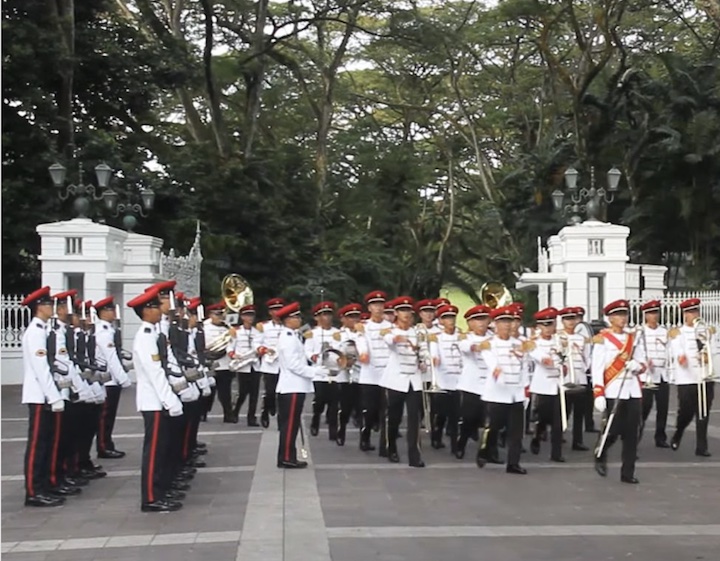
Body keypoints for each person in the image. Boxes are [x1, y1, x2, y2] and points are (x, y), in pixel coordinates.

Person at [128, 287, 185, 512]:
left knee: (162, 449)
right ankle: (151, 497)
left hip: (158, 400)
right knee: (153, 452)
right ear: (146, 311)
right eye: (155, 307)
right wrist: (170, 400)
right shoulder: (145, 336)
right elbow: (155, 373)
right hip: (154, 401)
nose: (160, 310)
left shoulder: (153, 333)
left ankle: (161, 489)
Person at [592, 299, 647, 484]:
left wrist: (636, 365)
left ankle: (628, 473)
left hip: (632, 391)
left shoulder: (633, 338)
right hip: (613, 390)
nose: (623, 318)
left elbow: (643, 363)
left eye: (624, 314)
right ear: (610, 318)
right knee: (612, 430)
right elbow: (597, 368)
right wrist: (598, 393)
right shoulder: (602, 340)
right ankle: (600, 453)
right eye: (618, 315)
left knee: (633, 433)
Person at [21, 287, 66, 507]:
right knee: (38, 444)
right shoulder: (35, 332)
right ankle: (33, 491)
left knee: (48, 443)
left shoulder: (44, 330)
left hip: (46, 395)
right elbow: (41, 368)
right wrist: (53, 396)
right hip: (39, 397)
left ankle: (45, 485)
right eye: (48, 304)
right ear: (39, 307)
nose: (52, 308)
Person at [275, 302, 328, 468]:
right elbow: (294, 365)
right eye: (295, 317)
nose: (299, 319)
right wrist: (316, 372)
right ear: (287, 320)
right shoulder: (288, 338)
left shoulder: (293, 335)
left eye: (298, 316)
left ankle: (287, 455)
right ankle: (286, 457)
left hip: (294, 385)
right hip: (292, 386)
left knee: (291, 423)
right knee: (290, 424)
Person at [478, 306, 530, 474]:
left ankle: (513, 463)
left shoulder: (520, 345)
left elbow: (525, 368)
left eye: (510, 321)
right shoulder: (488, 344)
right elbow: (491, 363)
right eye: (503, 322)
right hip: (496, 393)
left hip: (516, 393)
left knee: (516, 431)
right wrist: (498, 373)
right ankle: (485, 449)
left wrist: (525, 390)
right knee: (493, 426)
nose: (507, 325)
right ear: (495, 324)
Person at [380, 296, 426, 468]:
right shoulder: (390, 331)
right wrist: (398, 338)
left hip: (414, 380)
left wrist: (424, 363)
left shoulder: (418, 332)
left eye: (408, 311)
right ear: (396, 313)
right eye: (402, 311)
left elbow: (424, 352)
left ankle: (415, 455)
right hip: (395, 380)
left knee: (415, 417)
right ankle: (390, 447)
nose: (406, 314)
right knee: (394, 417)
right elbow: (388, 341)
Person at [669, 298, 715, 456]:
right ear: (684, 314)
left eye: (695, 311)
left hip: (704, 377)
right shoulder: (678, 333)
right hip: (686, 379)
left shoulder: (706, 331)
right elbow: (676, 350)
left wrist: (709, 358)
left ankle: (701, 447)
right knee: (686, 412)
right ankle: (678, 432)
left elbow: (713, 349)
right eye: (689, 312)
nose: (692, 315)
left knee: (703, 412)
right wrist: (681, 357)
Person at [93, 297, 132, 459]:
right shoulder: (102, 332)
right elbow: (111, 358)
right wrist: (123, 378)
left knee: (110, 416)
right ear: (102, 312)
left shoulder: (110, 329)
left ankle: (107, 443)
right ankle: (103, 446)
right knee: (105, 417)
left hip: (112, 379)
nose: (113, 313)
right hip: (108, 379)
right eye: (110, 310)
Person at [355, 291, 393, 452]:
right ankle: (365, 438)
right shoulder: (364, 327)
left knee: (387, 411)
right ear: (369, 307)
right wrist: (363, 352)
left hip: (389, 374)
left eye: (380, 305)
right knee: (369, 410)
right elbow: (361, 341)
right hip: (370, 375)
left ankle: (385, 444)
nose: (378, 308)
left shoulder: (391, 327)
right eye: (374, 305)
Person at [526, 307, 565, 462]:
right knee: (543, 417)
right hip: (542, 385)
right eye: (545, 325)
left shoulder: (560, 340)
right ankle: (537, 434)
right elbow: (542, 359)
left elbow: (567, 357)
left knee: (558, 421)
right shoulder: (534, 343)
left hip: (558, 385)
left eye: (551, 324)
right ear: (539, 326)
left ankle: (556, 453)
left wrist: (565, 366)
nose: (549, 328)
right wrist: (553, 361)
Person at [455, 305, 492, 459]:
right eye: (477, 320)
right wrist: (478, 346)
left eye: (484, 319)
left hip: (491, 385)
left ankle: (489, 451)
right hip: (472, 385)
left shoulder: (495, 336)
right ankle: (461, 443)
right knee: (469, 418)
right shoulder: (465, 337)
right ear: (470, 323)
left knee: (491, 421)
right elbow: (465, 347)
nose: (481, 323)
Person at [304, 301, 342, 439]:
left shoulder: (338, 333)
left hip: (334, 372)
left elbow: (341, 349)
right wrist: (313, 357)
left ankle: (333, 431)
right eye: (323, 315)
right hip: (319, 372)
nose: (326, 317)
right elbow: (307, 351)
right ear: (317, 317)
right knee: (320, 400)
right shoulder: (312, 333)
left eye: (328, 314)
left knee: (334, 403)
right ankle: (315, 419)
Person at [429, 304, 463, 453]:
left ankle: (455, 446)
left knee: (455, 416)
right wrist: (434, 358)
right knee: (440, 414)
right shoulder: (436, 338)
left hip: (458, 380)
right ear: (441, 321)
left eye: (452, 317)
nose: (450, 321)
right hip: (442, 380)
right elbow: (433, 354)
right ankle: (436, 437)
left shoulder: (461, 336)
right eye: (446, 318)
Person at [638, 300, 670, 448]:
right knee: (644, 408)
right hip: (647, 376)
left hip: (662, 374)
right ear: (645, 315)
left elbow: (669, 350)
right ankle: (636, 436)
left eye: (656, 312)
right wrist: (644, 363)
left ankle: (660, 437)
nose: (654, 316)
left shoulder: (664, 331)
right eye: (651, 313)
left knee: (663, 408)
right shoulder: (640, 332)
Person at [558, 307, 591, 452]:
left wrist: (584, 368)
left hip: (579, 378)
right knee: (563, 412)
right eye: (567, 319)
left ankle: (578, 441)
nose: (570, 322)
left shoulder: (581, 339)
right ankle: (558, 437)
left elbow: (587, 356)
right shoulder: (558, 337)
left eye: (572, 319)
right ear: (562, 321)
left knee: (579, 413)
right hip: (565, 380)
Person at [228, 304, 262, 426]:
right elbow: (230, 347)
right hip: (242, 366)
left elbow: (259, 346)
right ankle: (235, 411)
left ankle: (251, 417)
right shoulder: (236, 331)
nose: (250, 318)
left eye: (252, 315)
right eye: (247, 315)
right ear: (242, 317)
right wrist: (233, 355)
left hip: (255, 365)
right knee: (242, 392)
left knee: (254, 393)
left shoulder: (257, 332)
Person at [334, 303, 363, 445]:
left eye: (356, 317)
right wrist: (343, 360)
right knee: (345, 407)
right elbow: (331, 354)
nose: (354, 320)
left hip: (362, 374)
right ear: (343, 319)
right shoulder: (337, 335)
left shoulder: (364, 333)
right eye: (350, 317)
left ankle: (364, 437)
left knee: (362, 407)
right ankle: (341, 430)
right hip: (344, 375)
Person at [256, 298, 286, 428]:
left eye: (279, 309)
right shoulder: (264, 327)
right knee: (270, 392)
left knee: (283, 394)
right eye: (274, 310)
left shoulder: (287, 326)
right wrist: (265, 349)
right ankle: (265, 412)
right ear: (270, 312)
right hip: (269, 364)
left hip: (284, 364)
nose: (277, 312)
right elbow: (257, 343)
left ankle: (281, 418)